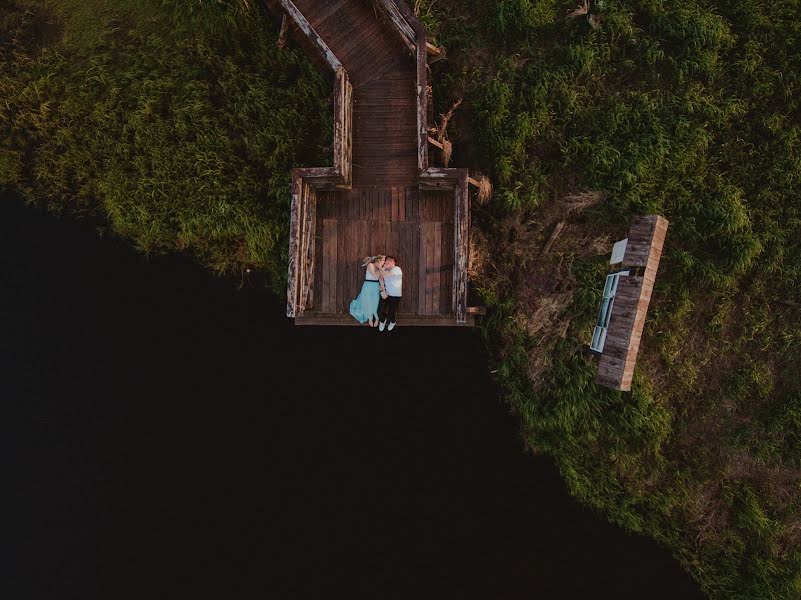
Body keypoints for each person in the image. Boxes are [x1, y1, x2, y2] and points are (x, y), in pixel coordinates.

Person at [349, 255, 385, 327]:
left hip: (375, 286)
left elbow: (380, 279)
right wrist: (381, 269)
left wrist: (383, 289)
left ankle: (377, 319)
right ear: (378, 260)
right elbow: (374, 275)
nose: (383, 262)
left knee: (375, 302)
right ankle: (370, 318)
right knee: (367, 301)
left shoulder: (380, 268)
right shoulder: (370, 265)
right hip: (368, 285)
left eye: (384, 261)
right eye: (383, 260)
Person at [377, 256, 402, 332]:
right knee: (380, 310)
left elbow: (387, 275)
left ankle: (393, 321)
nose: (387, 261)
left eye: (390, 260)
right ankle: (382, 321)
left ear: (394, 263)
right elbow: (380, 279)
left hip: (395, 296)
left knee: (390, 313)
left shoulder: (397, 269)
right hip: (386, 294)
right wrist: (383, 291)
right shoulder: (385, 270)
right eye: (386, 260)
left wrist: (381, 267)